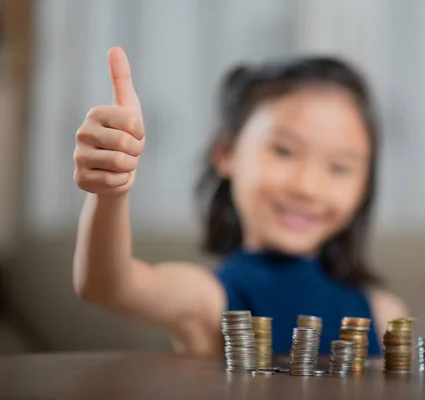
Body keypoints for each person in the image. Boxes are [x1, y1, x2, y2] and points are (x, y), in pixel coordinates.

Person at [72, 46, 408, 357]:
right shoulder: (207, 300)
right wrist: (109, 192)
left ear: (365, 187)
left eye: (340, 168)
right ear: (226, 152)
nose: (307, 188)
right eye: (284, 151)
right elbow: (109, 285)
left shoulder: (384, 314)